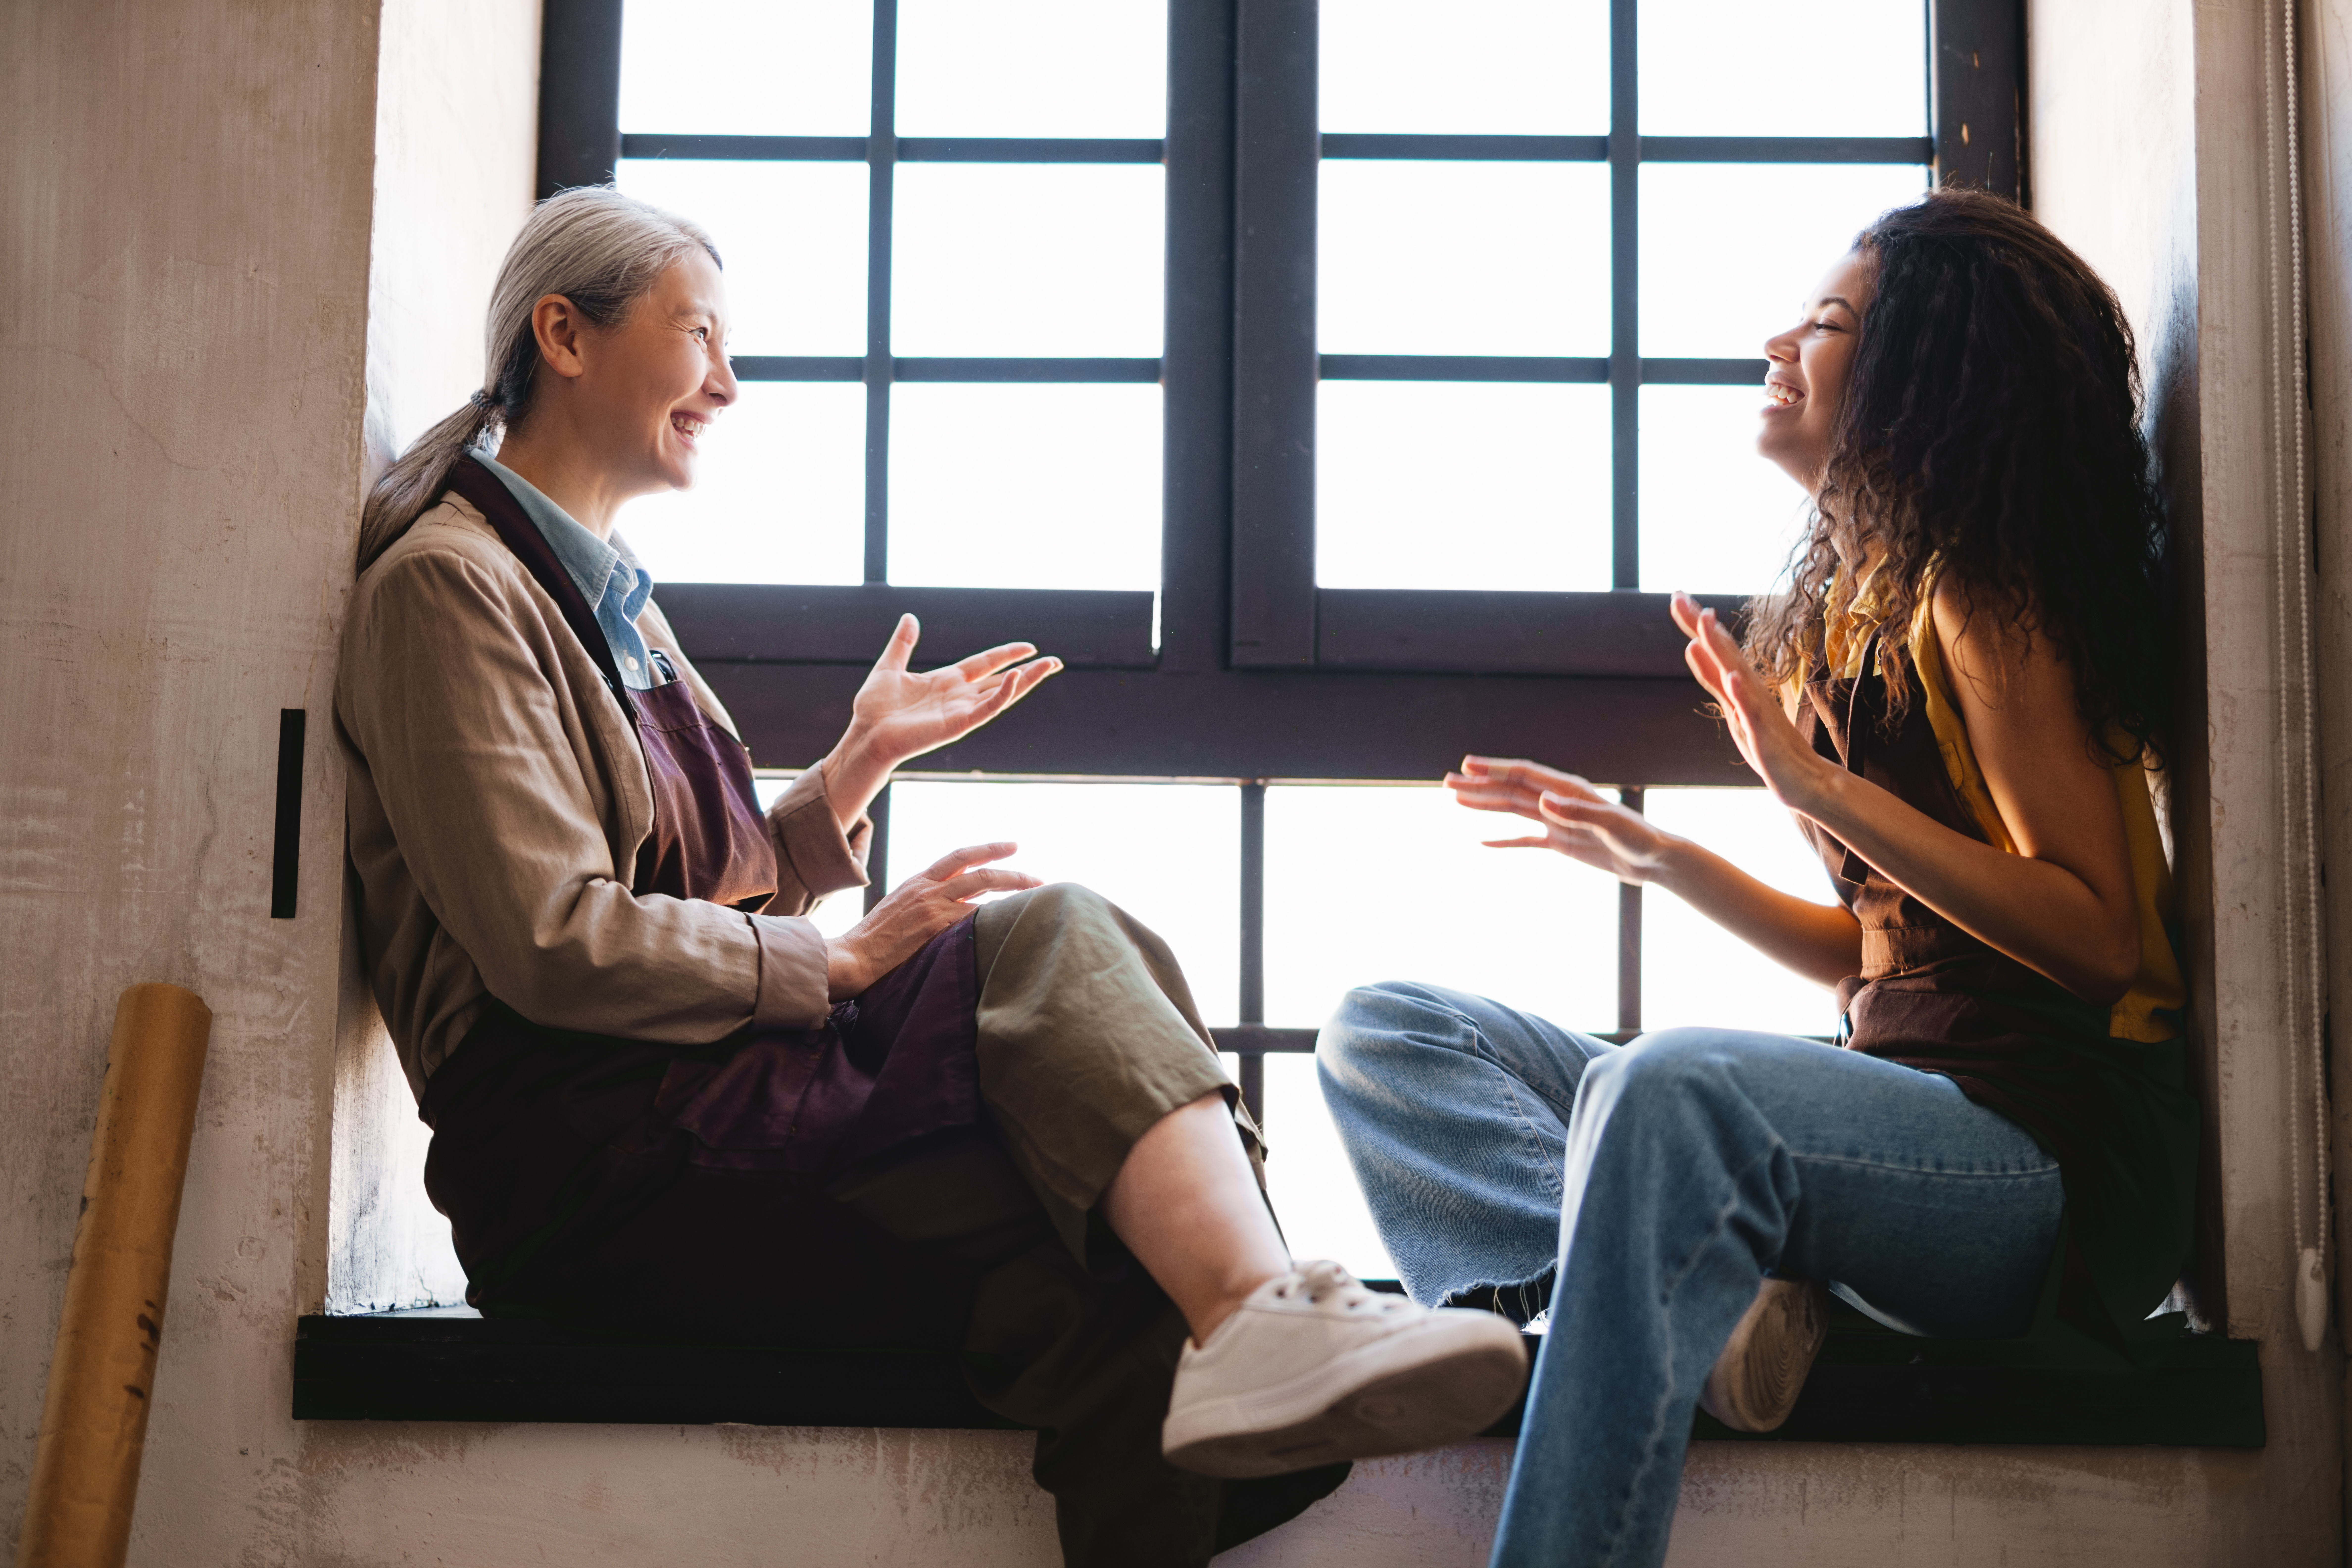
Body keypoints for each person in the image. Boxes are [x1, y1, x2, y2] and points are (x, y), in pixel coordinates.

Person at [335, 187, 1526, 1567]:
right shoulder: (450, 591)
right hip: (588, 1165)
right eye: (699, 333)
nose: (728, 380)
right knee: (1052, 935)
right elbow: (554, 944)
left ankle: (1253, 1322)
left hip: (686, 1109)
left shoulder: (619, 606)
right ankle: (1265, 1308)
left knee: (1099, 1269)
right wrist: (835, 962)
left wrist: (847, 774)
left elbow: (695, 908)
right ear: (566, 334)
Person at [1317, 188, 2198, 1567]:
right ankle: (1700, 1294)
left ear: (1928, 370)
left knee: (1659, 1087)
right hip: (1912, 1103)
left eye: (1833, 321)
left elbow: (2091, 940)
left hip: (2045, 1168)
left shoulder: (1982, 590)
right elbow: (1883, 961)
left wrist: (1818, 789)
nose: (1779, 340)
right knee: (1390, 1031)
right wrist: (1657, 855)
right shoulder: (1852, 610)